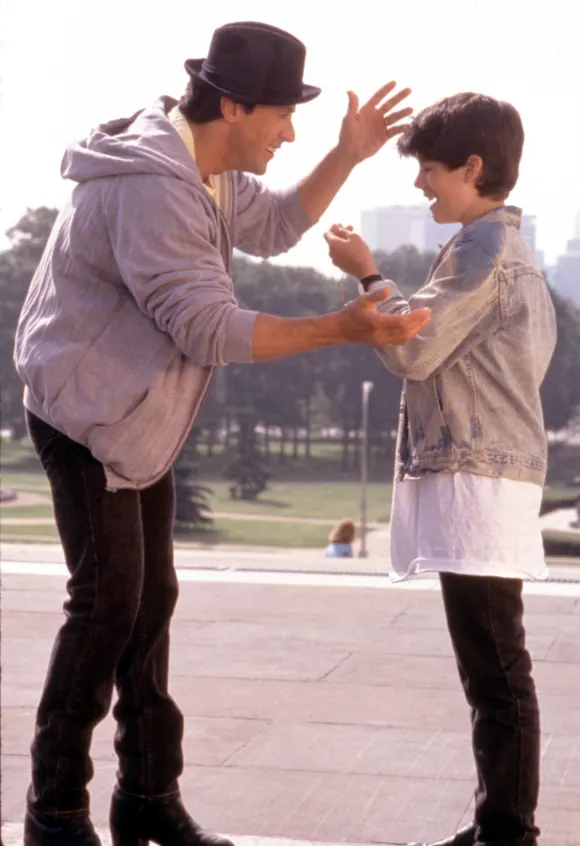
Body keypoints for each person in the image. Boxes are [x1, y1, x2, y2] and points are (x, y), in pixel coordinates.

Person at [13, 21, 430, 846]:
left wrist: (347, 153)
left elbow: (275, 226)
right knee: (106, 608)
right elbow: (209, 329)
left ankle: (146, 800)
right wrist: (341, 328)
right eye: (282, 114)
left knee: (151, 600)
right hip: (87, 413)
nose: (290, 132)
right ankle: (54, 813)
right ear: (233, 104)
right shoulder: (154, 186)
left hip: (140, 414)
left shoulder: (208, 170)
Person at [324, 92, 556, 846]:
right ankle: (499, 823)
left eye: (429, 169)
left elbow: (412, 347)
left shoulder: (486, 251)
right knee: (493, 667)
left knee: (496, 670)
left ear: (473, 166)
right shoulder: (500, 250)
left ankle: (506, 832)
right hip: (489, 475)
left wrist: (366, 276)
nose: (421, 184)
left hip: (479, 481)